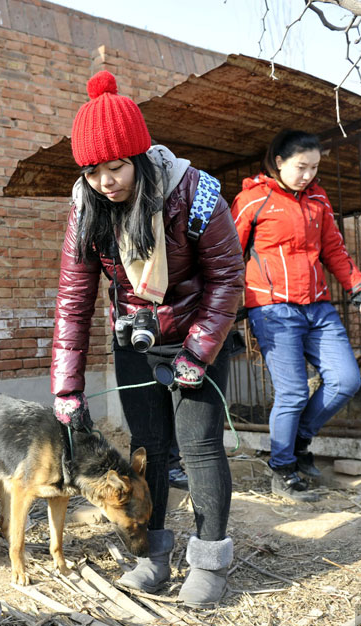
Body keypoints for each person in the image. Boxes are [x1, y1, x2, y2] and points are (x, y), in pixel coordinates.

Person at [51, 71, 244, 608]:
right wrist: (66, 389)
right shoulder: (84, 208)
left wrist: (200, 350)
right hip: (134, 337)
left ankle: (209, 557)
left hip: (197, 332)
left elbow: (229, 279)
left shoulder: (194, 192)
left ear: (139, 155)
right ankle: (153, 555)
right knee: (148, 449)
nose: (106, 180)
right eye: (93, 171)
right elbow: (73, 301)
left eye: (116, 166)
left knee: (201, 446)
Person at [231, 129, 361, 504]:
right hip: (272, 307)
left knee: (346, 379)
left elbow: (334, 249)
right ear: (279, 162)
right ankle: (283, 469)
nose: (308, 175)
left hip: (317, 305)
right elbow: (227, 251)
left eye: (314, 168)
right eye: (301, 167)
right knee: (294, 391)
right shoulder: (253, 199)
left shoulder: (317, 198)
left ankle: (297, 440)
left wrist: (359, 289)